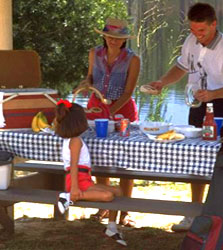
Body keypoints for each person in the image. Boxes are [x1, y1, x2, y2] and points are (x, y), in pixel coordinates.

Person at [148, 2, 223, 231]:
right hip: (198, 105)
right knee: (194, 159)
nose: (197, 35)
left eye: (202, 31)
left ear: (214, 24)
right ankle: (193, 214)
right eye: (193, 30)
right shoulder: (191, 41)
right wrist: (162, 82)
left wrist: (215, 93)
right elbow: (181, 66)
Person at [75, 17, 140, 227]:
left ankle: (125, 210)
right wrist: (85, 85)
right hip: (96, 107)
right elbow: (90, 78)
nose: (113, 41)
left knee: (126, 160)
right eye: (110, 36)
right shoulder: (95, 53)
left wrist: (109, 110)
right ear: (104, 36)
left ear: (124, 40)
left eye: (118, 38)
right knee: (100, 156)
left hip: (123, 109)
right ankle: (104, 206)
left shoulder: (133, 59)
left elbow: (128, 91)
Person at [55, 100, 127, 246]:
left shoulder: (75, 139)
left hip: (84, 180)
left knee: (118, 191)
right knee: (108, 196)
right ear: (78, 122)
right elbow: (73, 166)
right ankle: (68, 197)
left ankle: (112, 228)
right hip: (77, 181)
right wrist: (74, 188)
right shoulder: (75, 141)